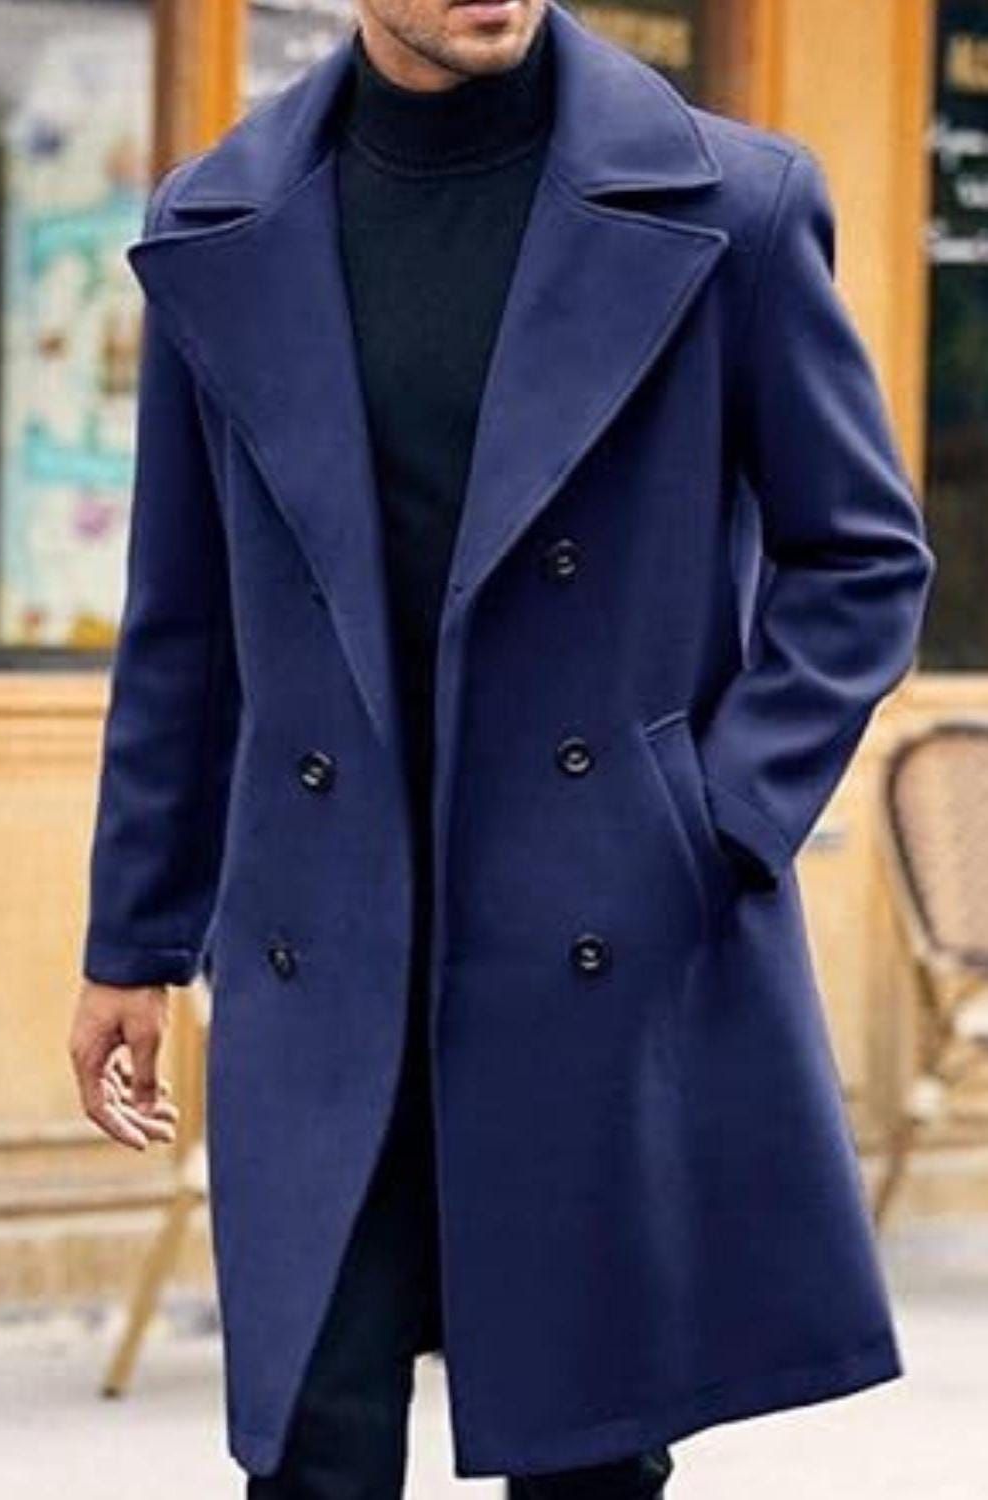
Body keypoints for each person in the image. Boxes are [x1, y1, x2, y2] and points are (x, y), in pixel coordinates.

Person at [68, 1, 936, 1496]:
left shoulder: (732, 206)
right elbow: (183, 623)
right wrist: (131, 940)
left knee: (586, 1460)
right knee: (312, 1449)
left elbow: (861, 558)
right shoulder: (222, 222)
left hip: (590, 938)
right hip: (324, 952)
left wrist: (712, 818)